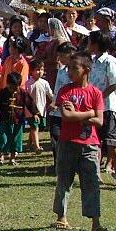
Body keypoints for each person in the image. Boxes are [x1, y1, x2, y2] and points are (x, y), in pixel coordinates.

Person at [52, 52, 111, 231]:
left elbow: (100, 121)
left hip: (90, 145)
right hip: (67, 143)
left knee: (91, 182)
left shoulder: (95, 93)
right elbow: (67, 116)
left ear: (86, 70)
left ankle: (95, 222)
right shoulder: (65, 91)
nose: (70, 71)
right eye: (68, 68)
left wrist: (84, 115)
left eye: (74, 68)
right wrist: (89, 113)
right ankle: (62, 216)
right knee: (64, 180)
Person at [86, 31, 116, 186]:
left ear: (96, 44)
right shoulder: (92, 62)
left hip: (109, 107)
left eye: (89, 42)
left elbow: (114, 83)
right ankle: (96, 173)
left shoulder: (109, 61)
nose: (88, 45)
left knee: (111, 141)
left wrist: (100, 97)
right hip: (96, 108)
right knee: (96, 140)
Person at [0, 72, 39, 165]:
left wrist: (35, 113)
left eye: (15, 87)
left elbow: (30, 103)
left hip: (18, 120)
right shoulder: (2, 92)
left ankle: (12, 158)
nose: (13, 90)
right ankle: (1, 157)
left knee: (15, 139)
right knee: (3, 137)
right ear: (7, 84)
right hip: (4, 119)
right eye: (11, 87)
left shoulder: (23, 93)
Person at [48, 43, 76, 171]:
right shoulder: (61, 70)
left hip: (71, 110)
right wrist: (54, 103)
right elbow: (57, 89)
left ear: (70, 54)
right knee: (55, 136)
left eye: (61, 56)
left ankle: (70, 165)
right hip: (56, 111)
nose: (59, 59)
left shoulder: (78, 71)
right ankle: (58, 164)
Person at [25, 59, 53, 153]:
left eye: (42, 69)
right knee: (34, 127)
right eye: (37, 69)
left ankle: (29, 143)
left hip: (42, 109)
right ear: (31, 71)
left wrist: (54, 102)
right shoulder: (28, 84)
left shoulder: (44, 83)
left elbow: (50, 94)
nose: (40, 72)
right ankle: (37, 147)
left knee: (40, 127)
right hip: (30, 111)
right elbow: (26, 98)